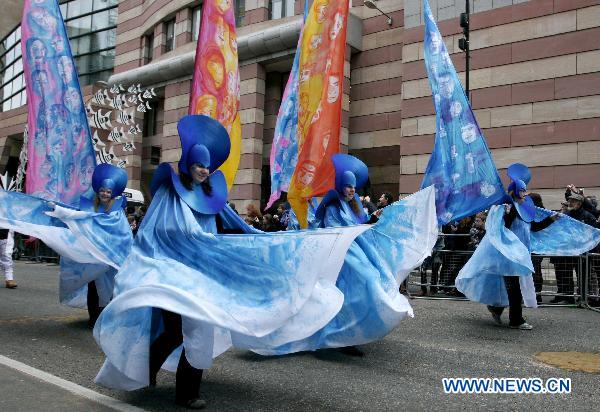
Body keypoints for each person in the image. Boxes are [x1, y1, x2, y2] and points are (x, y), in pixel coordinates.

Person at [93, 115, 365, 409]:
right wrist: (193, 240)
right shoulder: (170, 195)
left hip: (203, 278)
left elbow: (239, 227)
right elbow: (155, 233)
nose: (204, 170)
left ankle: (186, 390)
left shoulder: (212, 197)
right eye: (199, 165)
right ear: (188, 165)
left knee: (199, 331)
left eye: (207, 166)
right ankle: (148, 375)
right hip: (168, 275)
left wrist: (274, 241)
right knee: (172, 331)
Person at [456, 163, 559, 330]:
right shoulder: (509, 209)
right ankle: (515, 320)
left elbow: (534, 227)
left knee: (510, 286)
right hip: (508, 254)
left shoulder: (526, 209)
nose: (525, 195)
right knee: (514, 287)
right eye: (522, 191)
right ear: (516, 192)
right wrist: (508, 211)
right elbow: (504, 228)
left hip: (519, 254)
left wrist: (551, 220)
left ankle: (497, 308)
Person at [550, 192, 598, 304]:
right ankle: (568, 297)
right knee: (566, 275)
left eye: (573, 201)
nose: (570, 203)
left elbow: (593, 234)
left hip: (583, 252)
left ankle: (583, 298)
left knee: (583, 276)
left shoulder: (588, 216)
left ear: (580, 203)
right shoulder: (567, 215)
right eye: (570, 201)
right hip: (569, 251)